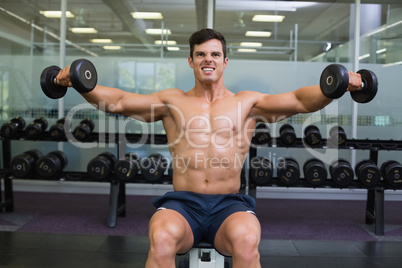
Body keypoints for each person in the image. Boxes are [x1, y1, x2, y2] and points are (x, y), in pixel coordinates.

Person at [55, 28, 363, 268]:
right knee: (160, 238)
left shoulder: (247, 103)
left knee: (246, 240)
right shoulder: (172, 101)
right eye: (200, 54)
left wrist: (333, 87)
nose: (208, 59)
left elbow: (298, 100)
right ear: (190, 60)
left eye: (215, 54)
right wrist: (82, 84)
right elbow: (120, 102)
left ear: (225, 61)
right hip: (182, 205)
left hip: (229, 205)